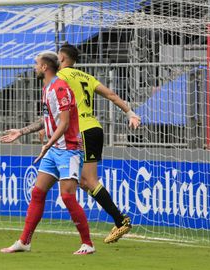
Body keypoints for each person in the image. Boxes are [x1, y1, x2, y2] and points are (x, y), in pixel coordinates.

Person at [0, 51, 95, 255]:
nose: (34, 67)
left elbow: (65, 122)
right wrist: (21, 131)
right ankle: (24, 241)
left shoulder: (60, 88)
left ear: (44, 68)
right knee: (37, 192)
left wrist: (47, 144)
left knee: (68, 196)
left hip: (68, 150)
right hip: (54, 150)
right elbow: (48, 120)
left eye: (36, 64)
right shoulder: (47, 88)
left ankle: (88, 244)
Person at [56, 43, 141, 243]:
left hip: (82, 131)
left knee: (88, 181)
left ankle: (121, 220)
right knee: (85, 181)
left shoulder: (62, 77)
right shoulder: (86, 76)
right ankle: (120, 220)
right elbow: (111, 95)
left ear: (61, 58)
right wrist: (130, 113)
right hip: (95, 128)